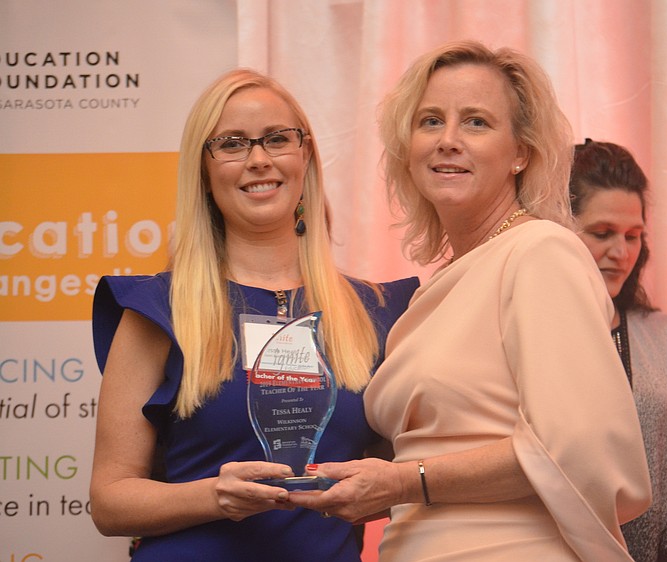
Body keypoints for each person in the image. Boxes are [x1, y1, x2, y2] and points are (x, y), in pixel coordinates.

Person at [285, 40, 652, 561]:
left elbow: (573, 448)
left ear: (521, 152)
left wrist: (404, 483)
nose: (448, 140)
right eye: (430, 121)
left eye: (476, 122)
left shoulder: (540, 251)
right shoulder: (441, 285)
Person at [88, 68, 419, 561]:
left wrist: (381, 492)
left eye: (276, 139)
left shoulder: (381, 312)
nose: (259, 160)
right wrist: (214, 497)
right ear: (203, 169)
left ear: (304, 155)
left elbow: (409, 477)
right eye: (232, 144)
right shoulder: (158, 309)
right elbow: (109, 502)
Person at [569, 139, 667, 561]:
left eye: (634, 236)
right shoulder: (523, 331)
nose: (621, 252)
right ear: (558, 229)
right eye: (602, 233)